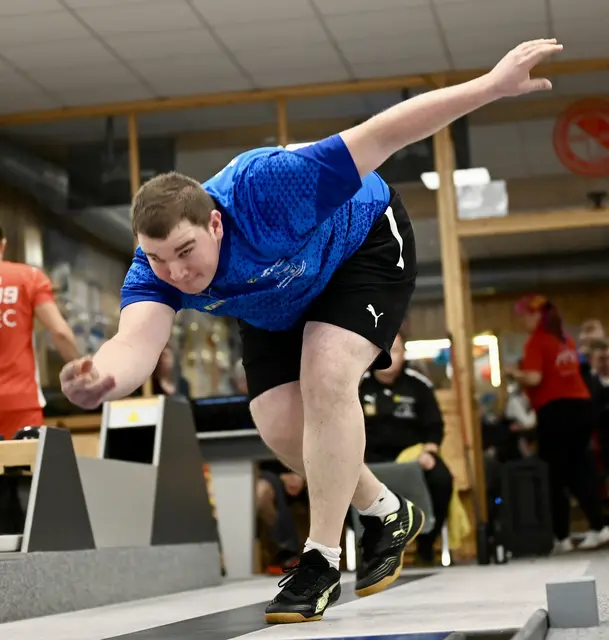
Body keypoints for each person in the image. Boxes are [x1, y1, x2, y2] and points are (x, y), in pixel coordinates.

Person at [59, 40, 564, 623]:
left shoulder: (271, 188)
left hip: (362, 247)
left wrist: (491, 86)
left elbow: (387, 133)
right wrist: (103, 378)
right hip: (276, 300)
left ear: (215, 224)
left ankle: (321, 561)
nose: (176, 273)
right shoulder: (154, 270)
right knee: (278, 425)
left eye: (185, 252)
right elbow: (136, 341)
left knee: (327, 371)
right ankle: (386, 511)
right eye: (158, 259)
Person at [508, 294, 609, 553]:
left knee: (555, 475)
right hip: (581, 409)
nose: (521, 322)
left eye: (524, 316)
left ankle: (562, 536)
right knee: (580, 470)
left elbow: (534, 377)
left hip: (557, 412)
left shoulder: (537, 341)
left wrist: (513, 373)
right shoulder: (565, 339)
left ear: (535, 316)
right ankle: (598, 526)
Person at [359, 334, 454, 564]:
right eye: (384, 350)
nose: (390, 356)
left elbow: (434, 426)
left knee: (442, 479)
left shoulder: (419, 385)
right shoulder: (358, 386)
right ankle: (371, 545)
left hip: (414, 458)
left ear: (404, 354)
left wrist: (429, 452)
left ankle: (426, 542)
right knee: (340, 483)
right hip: (371, 459)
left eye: (396, 350)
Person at [0, 226, 80, 440]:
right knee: (26, 461)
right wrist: (82, 368)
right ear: (3, 245)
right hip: (20, 402)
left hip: (20, 401)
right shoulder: (29, 278)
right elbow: (60, 332)